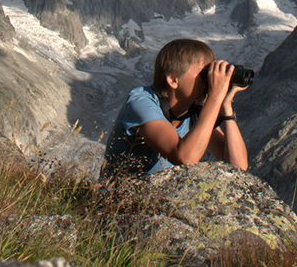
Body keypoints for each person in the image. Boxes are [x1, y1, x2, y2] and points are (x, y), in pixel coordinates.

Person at [101, 38, 249, 180]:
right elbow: (186, 158)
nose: (210, 80)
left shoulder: (193, 111)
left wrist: (226, 107)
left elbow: (237, 167)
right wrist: (215, 96)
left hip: (158, 200)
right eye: (204, 74)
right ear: (173, 80)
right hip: (118, 201)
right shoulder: (141, 102)